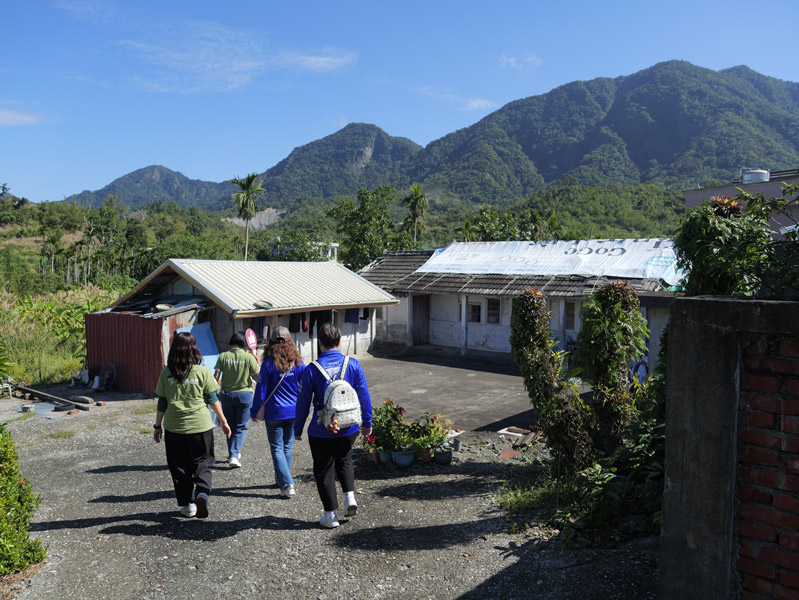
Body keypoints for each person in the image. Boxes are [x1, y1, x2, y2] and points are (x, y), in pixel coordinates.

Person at [295, 322, 372, 528]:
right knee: (345, 459)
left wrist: (297, 428)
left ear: (319, 343)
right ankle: (350, 498)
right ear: (340, 341)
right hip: (349, 426)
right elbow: (363, 394)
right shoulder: (353, 364)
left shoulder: (312, 369)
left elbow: (302, 402)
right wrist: (367, 421)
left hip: (322, 428)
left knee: (323, 469)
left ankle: (330, 516)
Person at [153, 331, 231, 519]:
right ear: (193, 348)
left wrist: (157, 426)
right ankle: (202, 493)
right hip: (201, 427)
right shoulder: (203, 371)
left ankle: (188, 505)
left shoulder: (166, 373)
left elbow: (162, 402)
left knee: (179, 466)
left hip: (174, 428)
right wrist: (223, 421)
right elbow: (213, 399)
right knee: (203, 462)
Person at [251, 326, 304, 498]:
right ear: (290, 341)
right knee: (287, 446)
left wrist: (254, 411)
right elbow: (304, 389)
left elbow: (261, 390)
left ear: (271, 343)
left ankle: (288, 483)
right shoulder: (298, 362)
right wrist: (305, 410)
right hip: (294, 411)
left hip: (274, 412)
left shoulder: (267, 364)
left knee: (276, 448)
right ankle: (282, 480)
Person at [214, 332, 260, 468]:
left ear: (231, 343)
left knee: (229, 426)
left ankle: (232, 453)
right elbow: (258, 377)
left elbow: (215, 377)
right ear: (243, 344)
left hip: (227, 396)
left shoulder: (223, 356)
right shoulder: (248, 357)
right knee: (241, 426)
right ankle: (234, 455)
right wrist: (257, 361)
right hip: (245, 396)